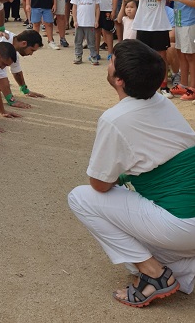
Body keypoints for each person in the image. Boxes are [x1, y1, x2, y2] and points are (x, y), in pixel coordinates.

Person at [68, 40, 195, 307]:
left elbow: (100, 185)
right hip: (186, 224)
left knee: (81, 198)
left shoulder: (115, 119)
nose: (109, 62)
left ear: (119, 81)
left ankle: (154, 275)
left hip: (184, 226)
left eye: (111, 61)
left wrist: (121, 176)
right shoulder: (162, 102)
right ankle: (183, 268)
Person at [132, 0, 172, 75]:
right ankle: (144, 81)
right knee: (142, 55)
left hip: (159, 26)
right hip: (143, 25)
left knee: (161, 55)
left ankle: (163, 85)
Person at [167, 0, 195, 100]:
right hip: (178, 23)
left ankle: (193, 88)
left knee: (191, 56)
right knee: (181, 55)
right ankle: (183, 85)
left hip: (189, 23)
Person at [71, 0, 100, 65]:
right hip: (79, 23)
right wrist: (75, 20)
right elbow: (74, 8)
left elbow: (97, 8)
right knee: (78, 41)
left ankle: (93, 56)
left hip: (90, 23)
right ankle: (78, 56)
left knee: (91, 41)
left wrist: (96, 20)